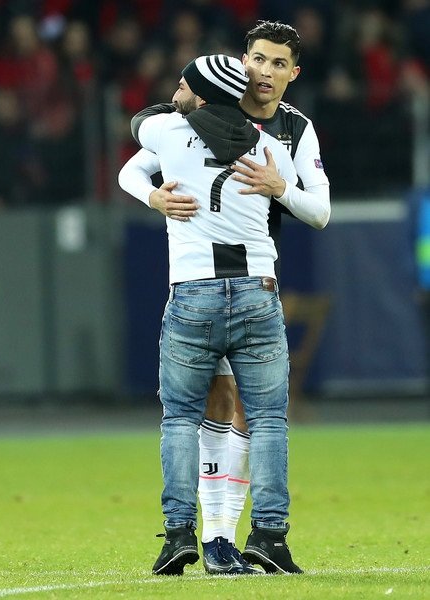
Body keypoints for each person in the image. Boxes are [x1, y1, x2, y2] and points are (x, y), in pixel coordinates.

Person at [128, 21, 330, 573]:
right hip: (243, 285)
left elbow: (320, 210)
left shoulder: (293, 129)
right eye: (257, 60)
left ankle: (200, 533)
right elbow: (142, 162)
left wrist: (281, 189)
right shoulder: (216, 114)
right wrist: (153, 196)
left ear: (292, 73)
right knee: (231, 405)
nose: (264, 72)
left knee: (231, 412)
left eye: (276, 63)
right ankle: (220, 538)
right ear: (242, 63)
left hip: (241, 278)